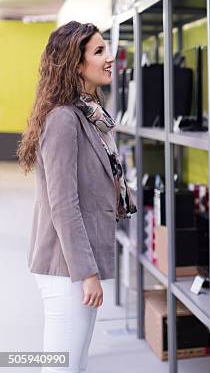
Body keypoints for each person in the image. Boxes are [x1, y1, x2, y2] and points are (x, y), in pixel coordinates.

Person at [17, 21, 136, 372]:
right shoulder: (64, 120)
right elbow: (63, 204)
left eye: (106, 49)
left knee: (75, 364)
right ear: (76, 64)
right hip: (65, 268)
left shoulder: (89, 116)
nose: (109, 57)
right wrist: (87, 273)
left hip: (74, 265)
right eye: (98, 51)